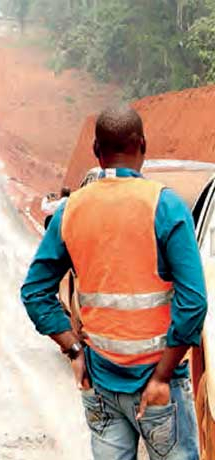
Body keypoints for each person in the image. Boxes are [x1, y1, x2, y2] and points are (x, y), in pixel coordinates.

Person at [20, 105, 206, 460]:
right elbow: (194, 302)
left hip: (100, 384)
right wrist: (162, 376)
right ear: (142, 145)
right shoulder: (164, 207)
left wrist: (74, 350)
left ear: (96, 151)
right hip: (158, 385)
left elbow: (34, 291)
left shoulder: (70, 211)